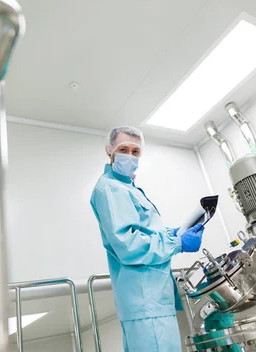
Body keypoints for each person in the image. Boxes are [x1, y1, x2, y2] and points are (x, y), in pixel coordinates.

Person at [90, 126, 205, 352]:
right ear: (109, 150)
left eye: (136, 152)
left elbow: (143, 232)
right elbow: (129, 245)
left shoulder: (127, 188)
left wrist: (172, 233)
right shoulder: (110, 189)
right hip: (145, 301)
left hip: (153, 299)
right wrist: (178, 243)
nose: (130, 156)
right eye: (123, 149)